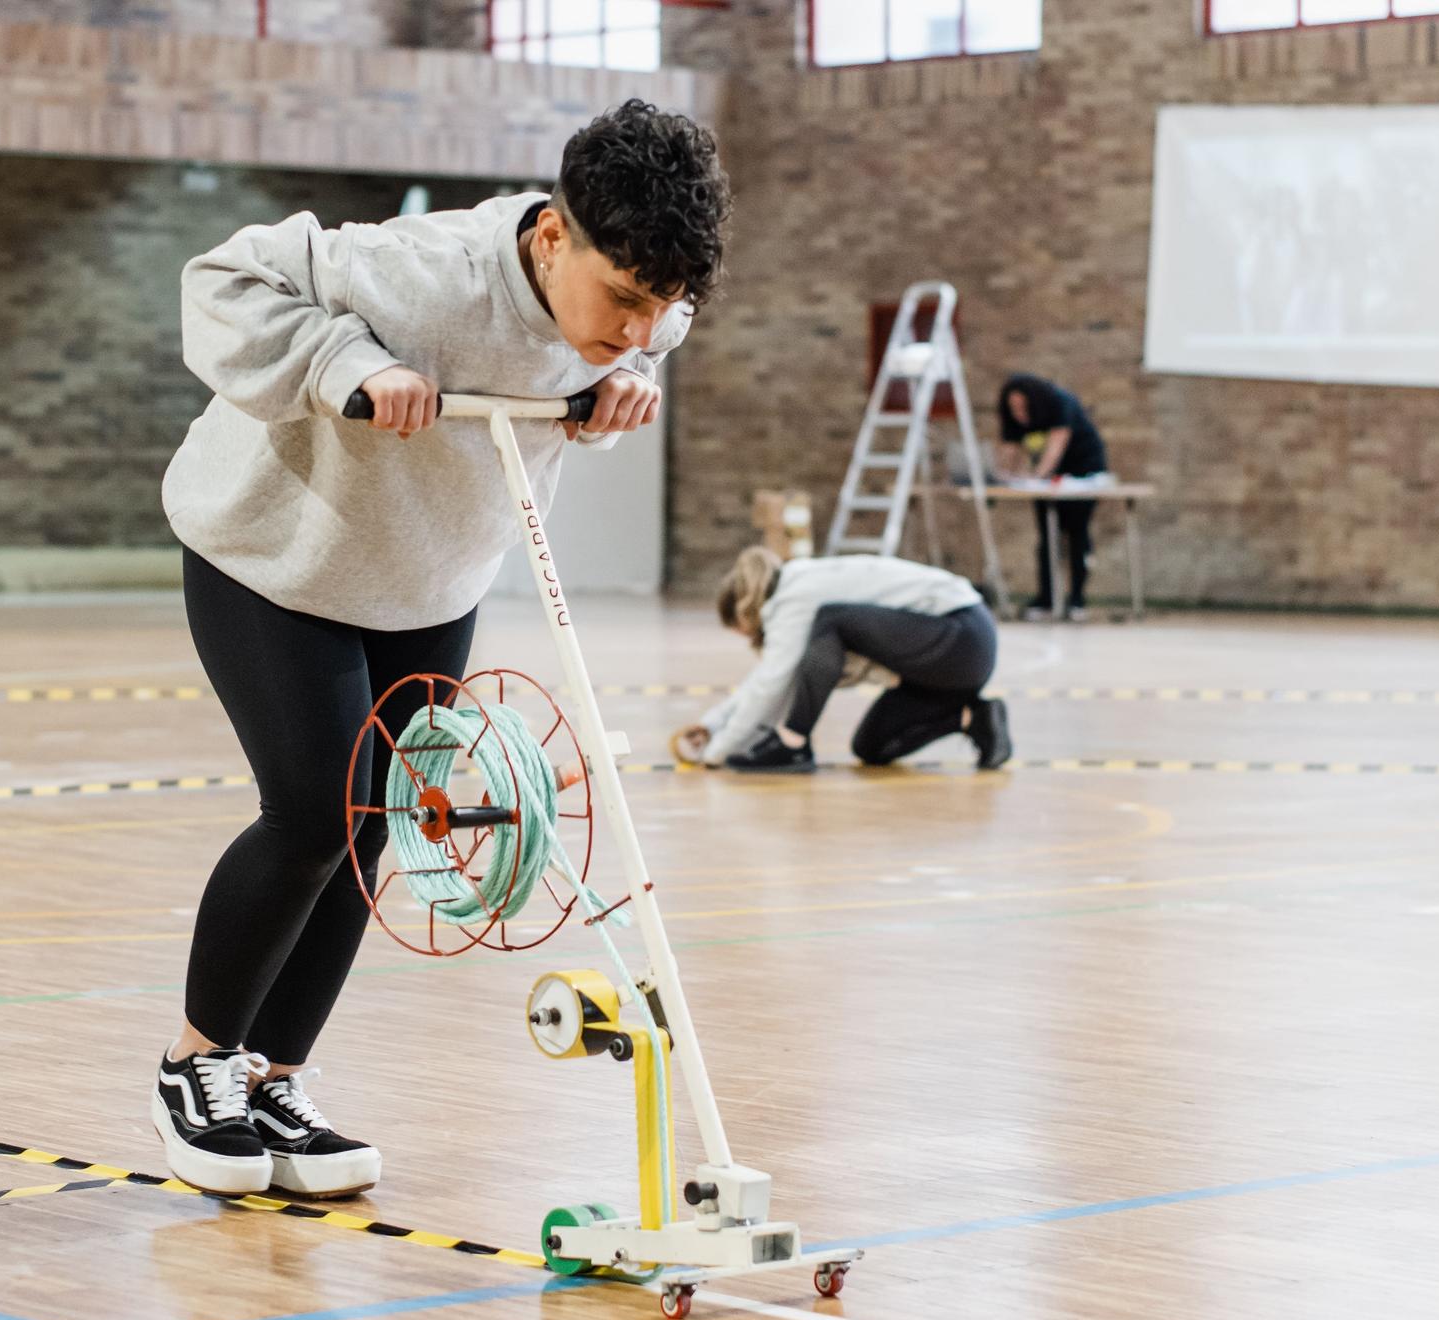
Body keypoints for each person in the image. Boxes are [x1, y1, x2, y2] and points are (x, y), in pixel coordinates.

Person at [153, 101, 732, 1198]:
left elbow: (638, 333)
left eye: (664, 310)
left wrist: (618, 380)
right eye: (622, 302)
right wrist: (340, 357)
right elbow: (219, 280)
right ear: (552, 237)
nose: (640, 325)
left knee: (377, 832)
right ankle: (194, 1068)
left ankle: (276, 1077)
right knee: (317, 811)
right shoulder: (418, 271)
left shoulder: (638, 301)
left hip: (428, 576)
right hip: (276, 554)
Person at [675, 548, 1010, 775]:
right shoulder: (793, 591)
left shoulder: (796, 597)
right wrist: (713, 725)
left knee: (831, 620)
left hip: (963, 635)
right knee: (871, 747)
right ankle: (975, 718)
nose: (752, 642)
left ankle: (794, 743)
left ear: (747, 612)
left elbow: (770, 683)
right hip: (942, 665)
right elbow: (766, 677)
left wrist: (716, 755)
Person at [996, 372, 1111, 622]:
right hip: (1047, 483)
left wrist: (1036, 477)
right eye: (1012, 407)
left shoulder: (1061, 403)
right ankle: (1046, 599)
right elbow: (1009, 450)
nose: (1017, 412)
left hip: (1083, 475)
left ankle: (1077, 600)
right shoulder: (1016, 417)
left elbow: (1055, 448)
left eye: (1021, 406)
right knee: (1047, 539)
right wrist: (1002, 475)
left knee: (1076, 534)